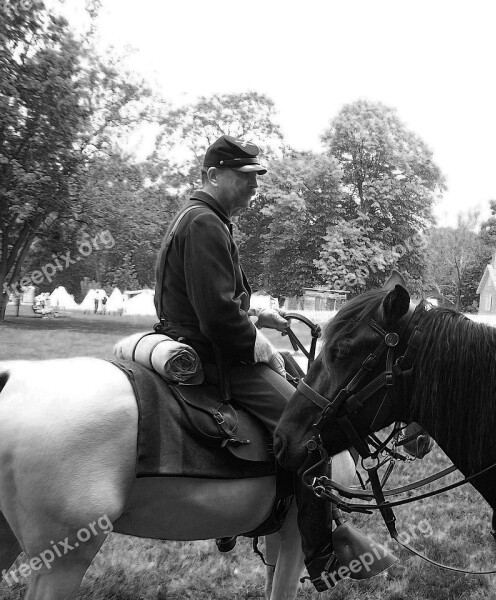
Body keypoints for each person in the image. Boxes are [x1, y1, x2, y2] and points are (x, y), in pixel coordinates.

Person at [154, 134, 371, 591]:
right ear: (212, 176)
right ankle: (323, 551)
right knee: (310, 434)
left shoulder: (202, 218)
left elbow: (206, 302)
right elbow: (215, 316)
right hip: (220, 359)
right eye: (244, 177)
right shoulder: (205, 224)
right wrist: (257, 341)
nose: (254, 187)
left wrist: (256, 314)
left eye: (256, 178)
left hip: (205, 343)